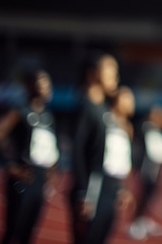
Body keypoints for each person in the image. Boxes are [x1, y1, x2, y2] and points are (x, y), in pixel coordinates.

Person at [0, 68, 60, 244]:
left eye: (48, 83)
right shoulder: (20, 111)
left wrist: (51, 172)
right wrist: (9, 164)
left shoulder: (48, 117)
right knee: (13, 232)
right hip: (23, 177)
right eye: (42, 82)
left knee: (29, 234)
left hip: (39, 180)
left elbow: (50, 149)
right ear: (30, 86)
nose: (47, 87)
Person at [67, 52, 120, 244]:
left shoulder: (104, 110)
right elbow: (78, 152)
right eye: (110, 69)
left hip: (106, 191)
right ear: (92, 74)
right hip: (90, 192)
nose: (116, 75)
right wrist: (83, 193)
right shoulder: (85, 108)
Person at [127, 104, 162, 240]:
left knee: (150, 196)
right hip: (145, 169)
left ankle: (143, 219)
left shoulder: (159, 131)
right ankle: (135, 222)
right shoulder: (144, 128)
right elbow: (140, 147)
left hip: (156, 170)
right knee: (142, 195)